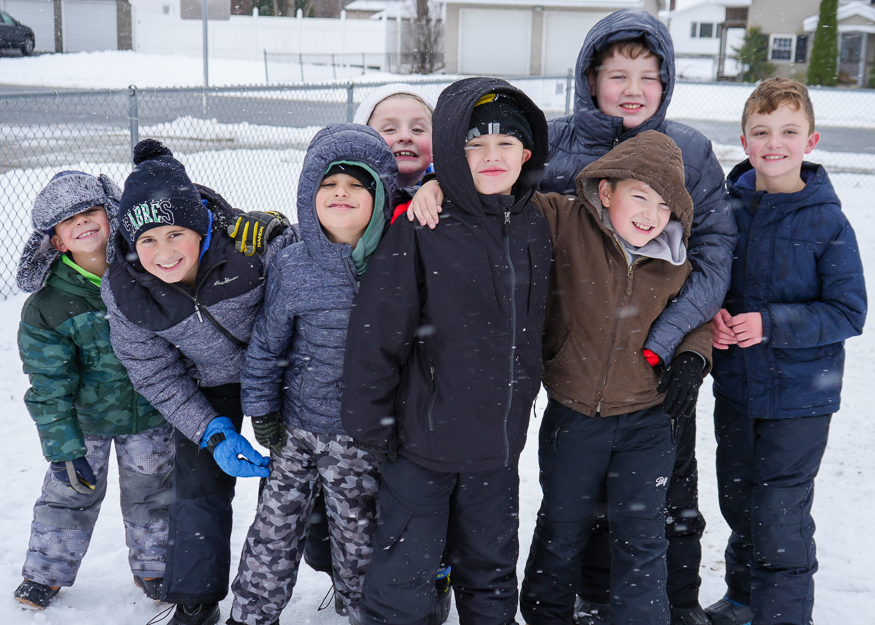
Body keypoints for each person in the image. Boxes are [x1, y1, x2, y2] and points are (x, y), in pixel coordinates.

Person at [408, 10, 737, 624]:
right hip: (576, 374)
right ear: (590, 80)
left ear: (668, 83)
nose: (633, 88)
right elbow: (491, 174)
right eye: (618, 74)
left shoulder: (689, 151)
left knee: (662, 508)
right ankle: (572, 601)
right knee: (568, 508)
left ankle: (675, 604)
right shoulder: (557, 142)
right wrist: (434, 182)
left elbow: (710, 263)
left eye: (649, 75)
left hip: (652, 376)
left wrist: (677, 346)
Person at [341, 77, 552, 625]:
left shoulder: (536, 222)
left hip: (497, 449)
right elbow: (378, 334)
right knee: (404, 576)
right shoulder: (422, 223)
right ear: (453, 155)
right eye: (474, 144)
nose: (490, 156)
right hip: (422, 445)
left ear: (525, 153)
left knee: (491, 570)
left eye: (505, 144)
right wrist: (373, 428)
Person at [518, 130, 711, 625]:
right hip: (573, 414)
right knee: (563, 527)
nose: (651, 214)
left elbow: (698, 318)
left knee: (642, 537)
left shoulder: (675, 260)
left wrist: (693, 357)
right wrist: (433, 186)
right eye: (640, 196)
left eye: (664, 205)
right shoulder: (565, 221)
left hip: (648, 421)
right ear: (606, 191)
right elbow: (507, 196)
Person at [102, 140, 297, 625]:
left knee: (301, 473)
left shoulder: (250, 246)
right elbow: (153, 370)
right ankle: (196, 597)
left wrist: (282, 228)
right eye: (147, 240)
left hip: (284, 373)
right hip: (209, 383)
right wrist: (211, 430)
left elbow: (314, 273)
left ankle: (334, 563)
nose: (163, 253)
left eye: (175, 234)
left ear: (203, 224)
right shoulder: (126, 290)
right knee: (198, 486)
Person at [705, 77, 866, 625]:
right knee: (739, 502)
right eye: (762, 131)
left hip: (801, 399)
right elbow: (709, 281)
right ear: (745, 141)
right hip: (736, 389)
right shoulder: (726, 211)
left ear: (811, 141)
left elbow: (849, 311)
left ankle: (783, 615)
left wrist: (771, 324)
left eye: (789, 131)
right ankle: (744, 599)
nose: (775, 142)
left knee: (780, 512)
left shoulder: (828, 220)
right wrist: (716, 317)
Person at [226, 123, 397, 625]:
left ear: (381, 196)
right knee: (273, 529)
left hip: (360, 436)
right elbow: (266, 344)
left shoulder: (397, 260)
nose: (340, 193)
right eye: (328, 184)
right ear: (308, 194)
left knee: (357, 533)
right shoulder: (292, 264)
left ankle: (359, 610)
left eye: (356, 184)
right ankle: (252, 612)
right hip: (296, 430)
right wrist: (260, 411)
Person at [13, 171, 174, 609]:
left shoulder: (150, 271)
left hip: (150, 414)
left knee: (154, 492)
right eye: (69, 221)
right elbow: (48, 385)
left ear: (110, 216)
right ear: (57, 241)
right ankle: (46, 571)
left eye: (89, 212)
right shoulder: (48, 306)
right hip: (86, 423)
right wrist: (63, 447)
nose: (83, 223)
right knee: (69, 493)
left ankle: (154, 568)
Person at [354, 83, 435, 189]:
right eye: (390, 129)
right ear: (363, 143)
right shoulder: (347, 197)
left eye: (417, 129)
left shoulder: (453, 196)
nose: (405, 137)